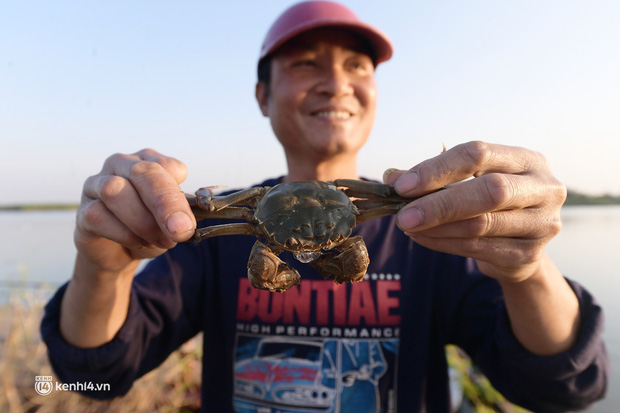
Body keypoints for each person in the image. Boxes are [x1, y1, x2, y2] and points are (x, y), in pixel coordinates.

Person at [42, 1, 608, 411]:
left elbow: (563, 390)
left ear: (375, 92)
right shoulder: (214, 239)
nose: (336, 83)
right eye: (306, 63)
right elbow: (90, 380)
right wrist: (104, 267)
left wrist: (528, 269)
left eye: (357, 66)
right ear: (262, 95)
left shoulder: (428, 228)